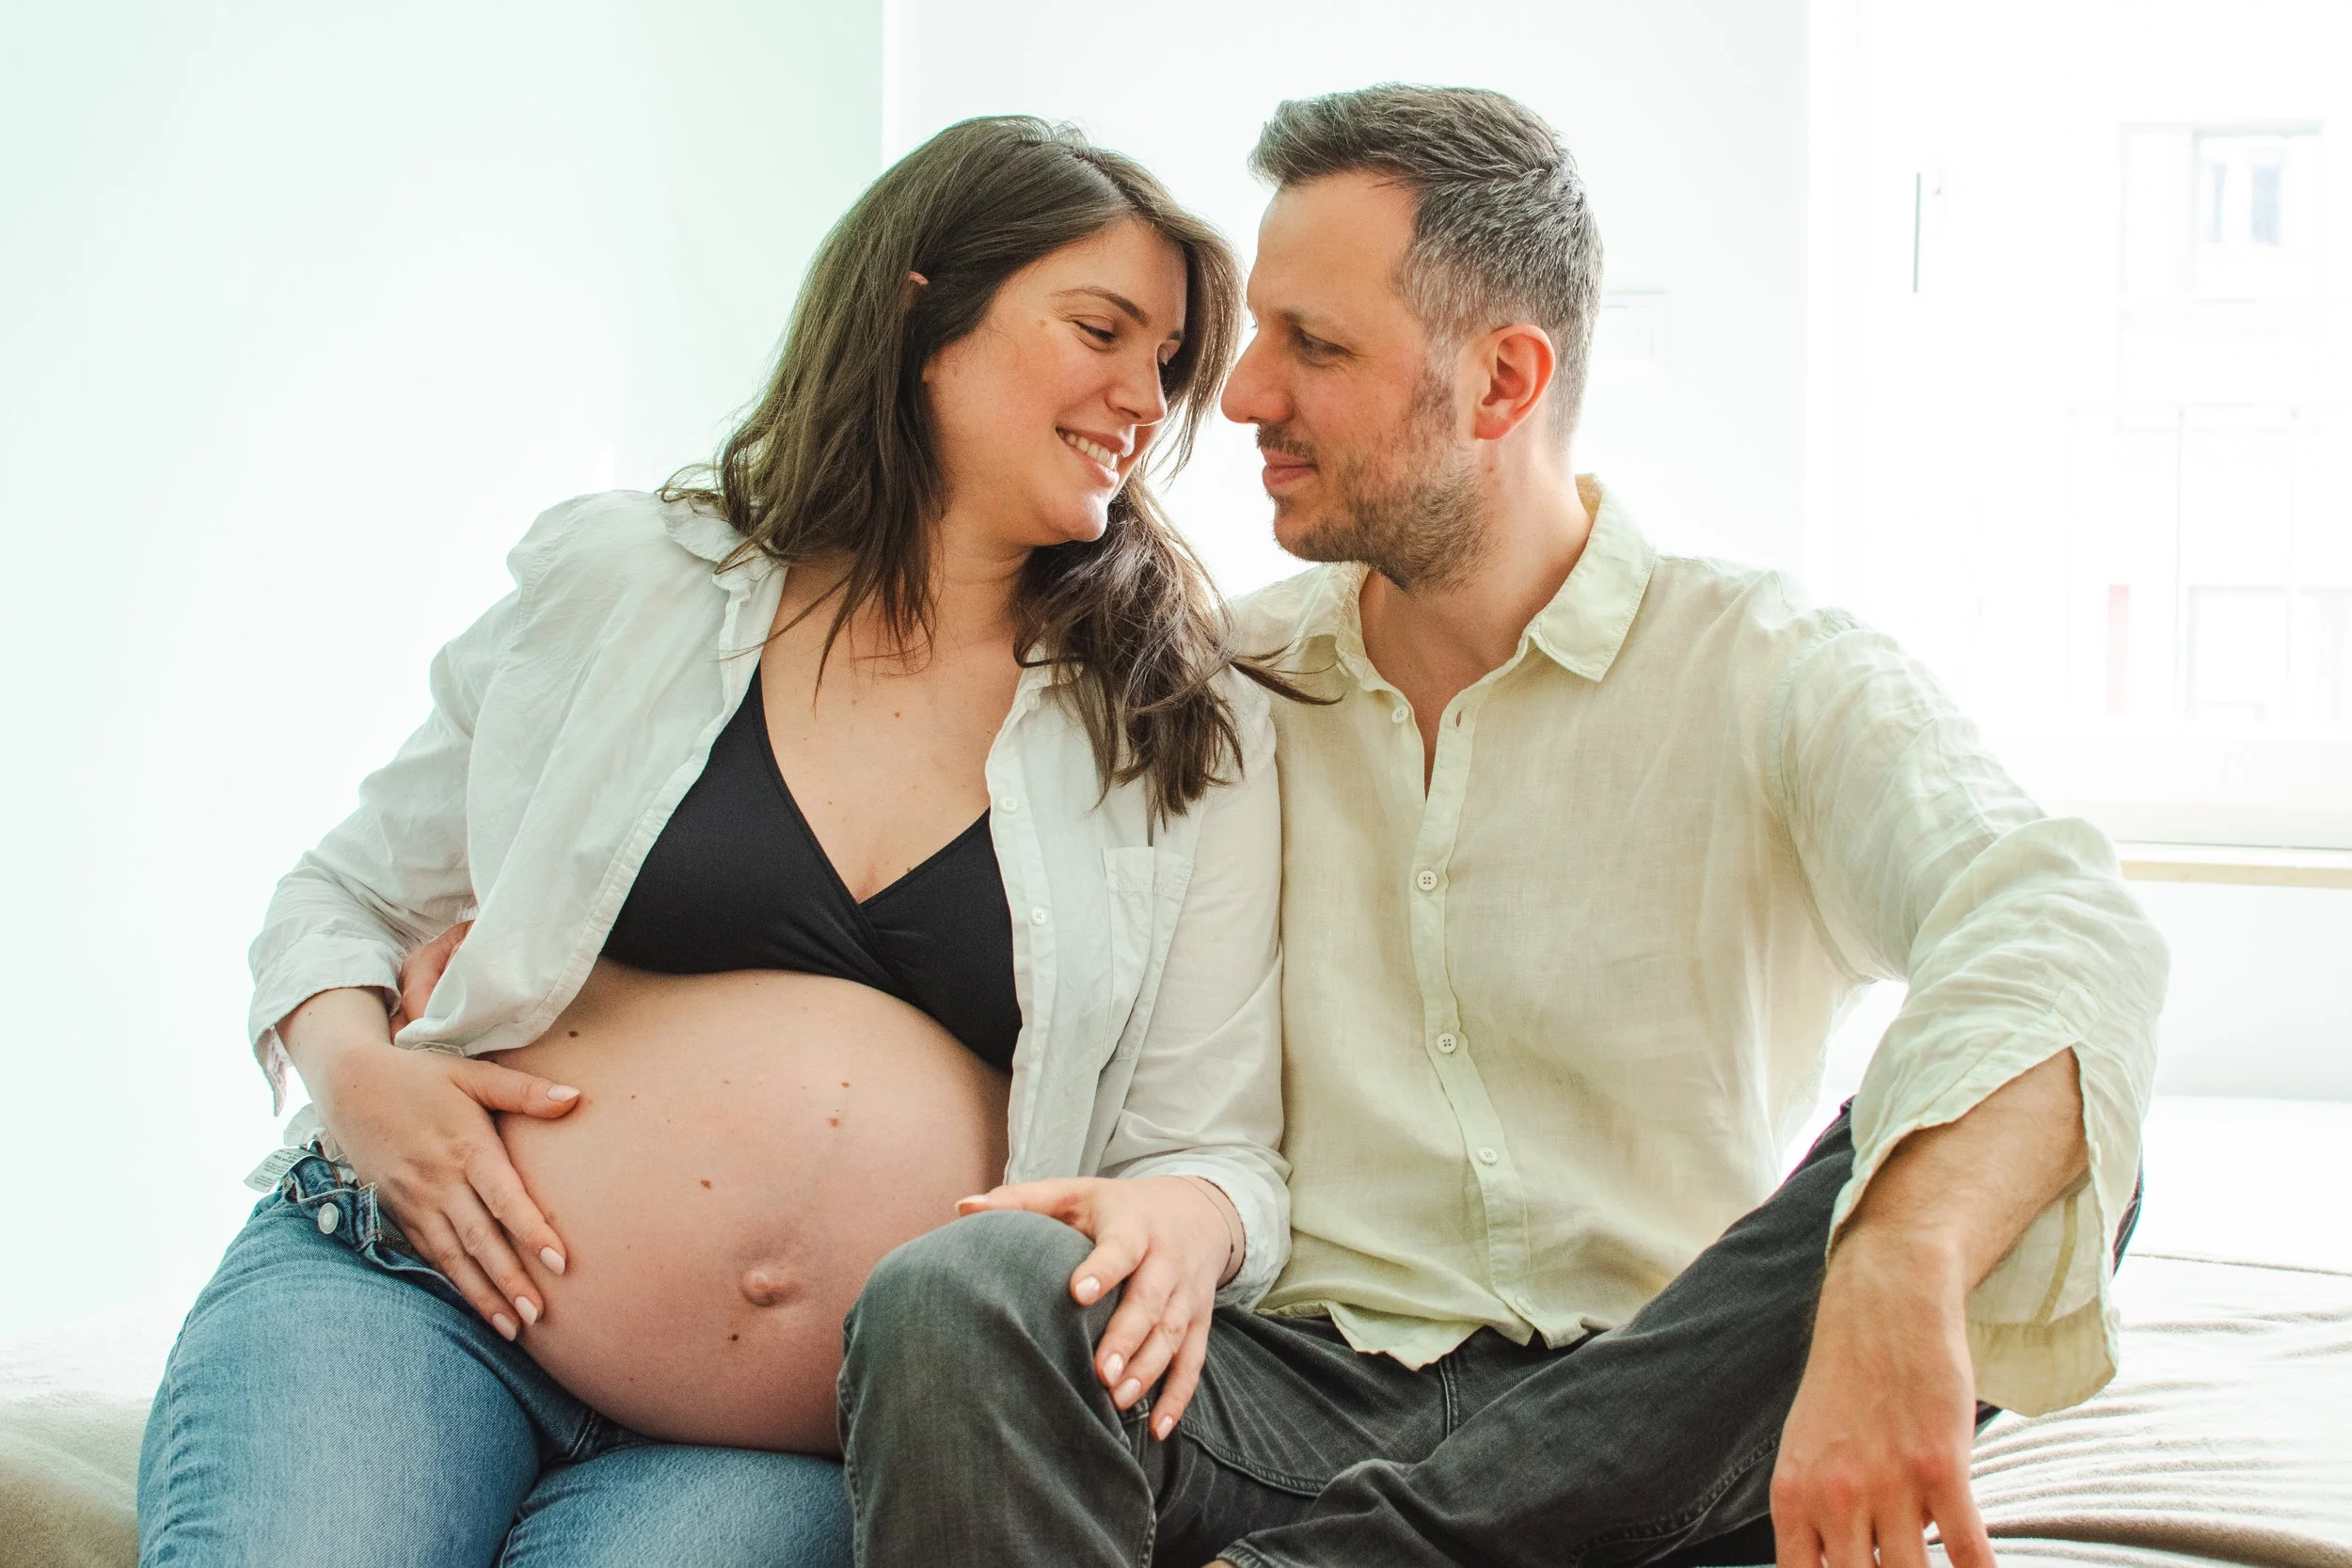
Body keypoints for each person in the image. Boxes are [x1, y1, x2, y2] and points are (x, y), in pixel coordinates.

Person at [836, 85, 2166, 1568]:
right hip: (1303, 1399)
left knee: (2007, 1127)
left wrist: (1897, 1255)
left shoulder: (1767, 670)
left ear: (1503, 382)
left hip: (1661, 1398)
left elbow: (2065, 924)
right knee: (964, 1298)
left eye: (1314, 345)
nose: (1242, 394)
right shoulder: (1219, 688)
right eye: (1262, 331)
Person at [136, 116, 1290, 1568]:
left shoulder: (1173, 726)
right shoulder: (632, 579)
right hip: (411, 1287)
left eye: (1167, 362)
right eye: (1102, 331)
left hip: (773, 1440)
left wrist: (1193, 1218)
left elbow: (1216, 1150)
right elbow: (346, 897)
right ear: (920, 308)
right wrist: (359, 1077)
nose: (1152, 396)